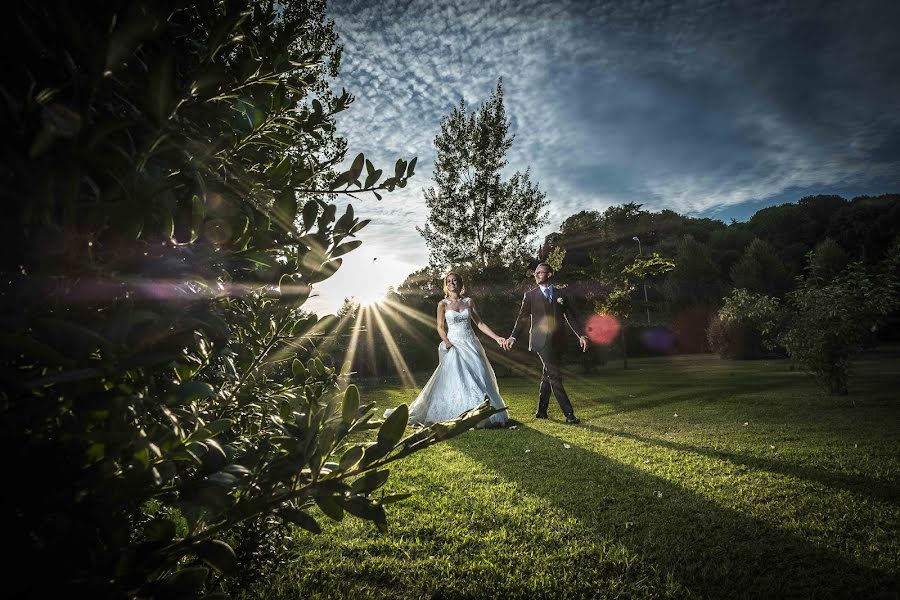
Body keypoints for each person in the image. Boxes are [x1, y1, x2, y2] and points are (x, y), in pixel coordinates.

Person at [396, 271, 509, 428]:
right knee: (455, 380)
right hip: (454, 344)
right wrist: (446, 341)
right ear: (446, 285)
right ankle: (458, 413)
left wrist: (497, 338)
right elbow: (440, 327)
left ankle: (482, 413)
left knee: (479, 377)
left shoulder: (469, 302)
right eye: (449, 281)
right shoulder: (442, 304)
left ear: (461, 284)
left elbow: (480, 323)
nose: (452, 283)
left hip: (470, 344)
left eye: (455, 280)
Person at [503, 263, 588, 424]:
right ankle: (569, 414)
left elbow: (571, 316)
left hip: (558, 341)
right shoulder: (530, 295)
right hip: (541, 341)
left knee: (547, 376)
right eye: (536, 272)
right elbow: (522, 318)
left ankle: (541, 411)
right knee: (555, 376)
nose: (537, 275)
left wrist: (581, 335)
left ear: (549, 274)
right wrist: (513, 337)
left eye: (540, 272)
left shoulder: (561, 294)